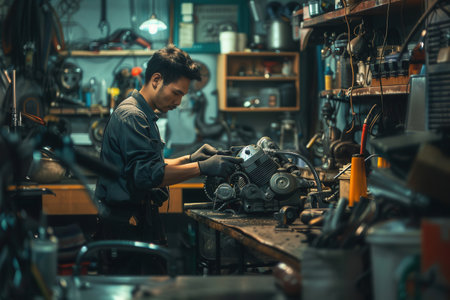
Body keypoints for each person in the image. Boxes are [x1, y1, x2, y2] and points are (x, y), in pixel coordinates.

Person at [94, 44, 242, 274]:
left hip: (137, 222)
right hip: (126, 227)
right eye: (177, 93)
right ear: (156, 80)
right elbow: (146, 176)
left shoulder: (143, 114)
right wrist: (202, 167)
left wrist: (190, 158)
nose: (179, 102)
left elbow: (151, 167)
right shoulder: (133, 116)